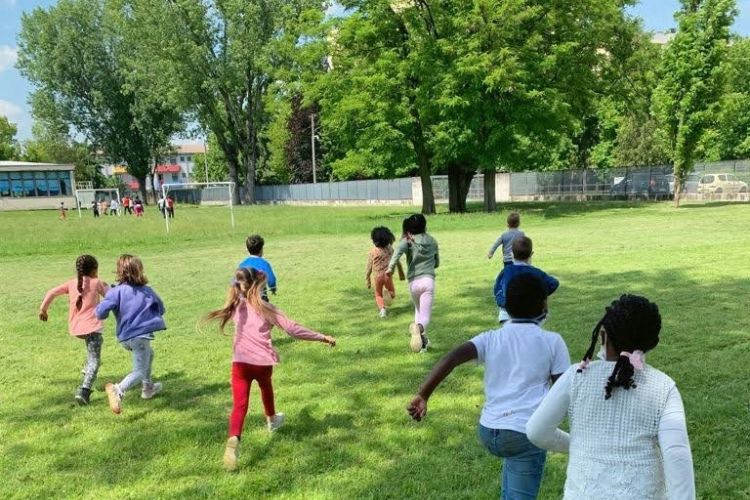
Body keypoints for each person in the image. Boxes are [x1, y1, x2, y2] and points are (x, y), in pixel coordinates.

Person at [408, 274, 570, 500]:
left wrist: (423, 394)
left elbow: (452, 357)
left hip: (490, 430)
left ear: (504, 306)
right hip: (525, 434)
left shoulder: (490, 338)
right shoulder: (553, 341)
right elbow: (563, 391)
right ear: (544, 304)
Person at [526, 295, 695, 500]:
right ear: (650, 342)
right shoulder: (664, 387)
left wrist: (577, 444)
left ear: (603, 335)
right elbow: (677, 455)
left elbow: (536, 431)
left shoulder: (576, 377)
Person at [204, 267, 336, 472]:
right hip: (262, 363)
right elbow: (293, 329)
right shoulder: (268, 308)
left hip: (239, 364)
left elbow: (236, 286)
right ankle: (272, 420)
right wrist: (322, 336)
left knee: (240, 405)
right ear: (258, 286)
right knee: (266, 387)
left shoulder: (235, 305)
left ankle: (233, 439)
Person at [96, 255, 166, 414]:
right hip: (140, 337)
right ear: (139, 271)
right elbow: (161, 309)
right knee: (139, 370)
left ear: (120, 272)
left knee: (150, 354)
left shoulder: (115, 292)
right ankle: (118, 389)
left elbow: (100, 313)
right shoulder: (147, 291)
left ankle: (148, 388)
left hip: (125, 338)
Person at [38, 255, 109, 405]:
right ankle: (84, 391)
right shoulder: (97, 283)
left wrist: (43, 310)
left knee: (91, 349)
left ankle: (86, 368)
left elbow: (52, 292)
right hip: (92, 328)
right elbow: (111, 297)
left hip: (77, 328)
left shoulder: (71, 283)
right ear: (94, 269)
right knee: (95, 360)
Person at [387, 214, 439, 353]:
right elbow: (437, 262)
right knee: (425, 317)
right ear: (424, 226)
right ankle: (419, 329)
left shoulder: (408, 241)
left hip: (413, 283)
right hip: (428, 281)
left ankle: (421, 346)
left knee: (418, 311)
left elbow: (396, 253)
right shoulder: (432, 241)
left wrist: (390, 268)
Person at [494, 236, 558, 324]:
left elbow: (497, 289)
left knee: (510, 335)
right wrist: (538, 295)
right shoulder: (536, 272)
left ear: (512, 254)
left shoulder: (506, 271)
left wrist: (504, 303)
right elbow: (553, 283)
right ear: (531, 254)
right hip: (530, 313)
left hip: (508, 314)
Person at [366, 226, 405, 318]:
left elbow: (369, 267)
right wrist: (401, 273)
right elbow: (397, 261)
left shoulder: (373, 251)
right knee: (392, 292)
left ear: (375, 241)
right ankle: (388, 296)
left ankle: (382, 310)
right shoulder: (390, 249)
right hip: (388, 275)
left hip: (377, 277)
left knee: (378, 294)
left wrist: (367, 278)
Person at [238, 235, 277, 301]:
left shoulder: (242, 265)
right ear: (261, 249)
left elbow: (236, 281)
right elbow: (272, 280)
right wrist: (273, 288)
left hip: (245, 298)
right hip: (260, 298)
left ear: (248, 250)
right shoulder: (264, 264)